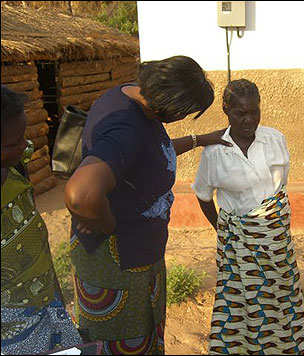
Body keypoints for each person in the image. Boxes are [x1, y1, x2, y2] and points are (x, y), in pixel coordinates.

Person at [63, 56, 232, 354]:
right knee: (121, 341)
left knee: (140, 336)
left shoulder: (130, 95)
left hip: (135, 257)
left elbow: (150, 153)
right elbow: (81, 192)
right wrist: (109, 224)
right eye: (185, 113)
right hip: (117, 263)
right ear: (169, 105)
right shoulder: (127, 128)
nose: (182, 118)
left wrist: (199, 139)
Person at [192, 79, 304, 355]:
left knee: (280, 300)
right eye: (240, 113)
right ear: (226, 110)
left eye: (254, 111)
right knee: (238, 305)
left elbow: (279, 192)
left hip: (276, 241)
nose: (249, 119)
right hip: (237, 244)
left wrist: (269, 223)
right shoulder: (215, 151)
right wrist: (224, 228)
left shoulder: (274, 139)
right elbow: (203, 196)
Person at [1, 85, 83, 354]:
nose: (25, 145)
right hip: (11, 321)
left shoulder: (14, 168)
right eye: (14, 143)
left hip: (46, 300)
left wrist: (56, 295)